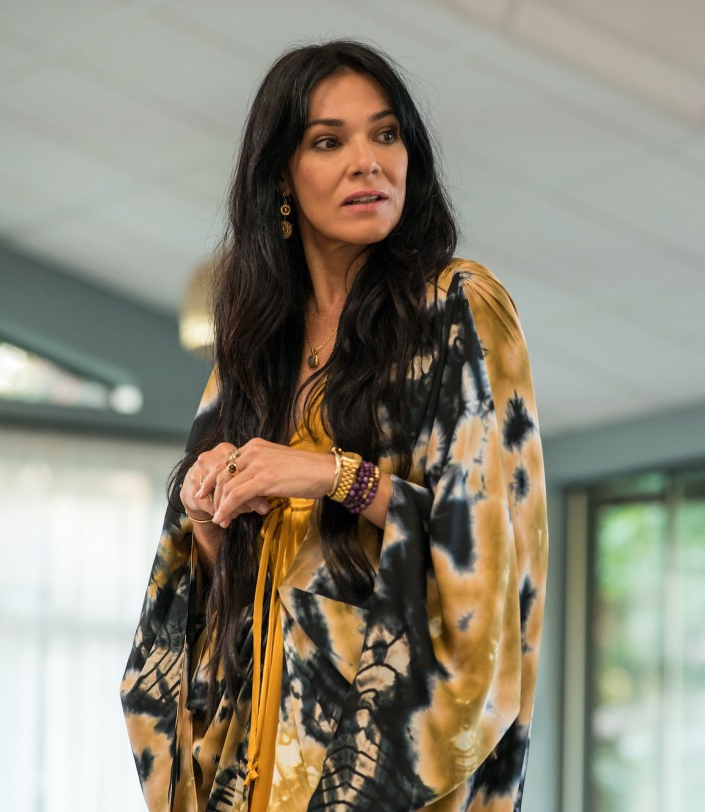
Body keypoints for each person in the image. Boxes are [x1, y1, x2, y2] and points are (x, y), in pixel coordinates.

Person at [119, 40, 547, 812]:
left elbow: (488, 548)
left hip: (378, 773)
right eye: (328, 141)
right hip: (251, 773)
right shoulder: (253, 352)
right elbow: (202, 605)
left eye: (386, 135)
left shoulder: (457, 307)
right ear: (281, 177)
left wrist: (328, 475)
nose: (367, 161)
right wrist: (213, 530)